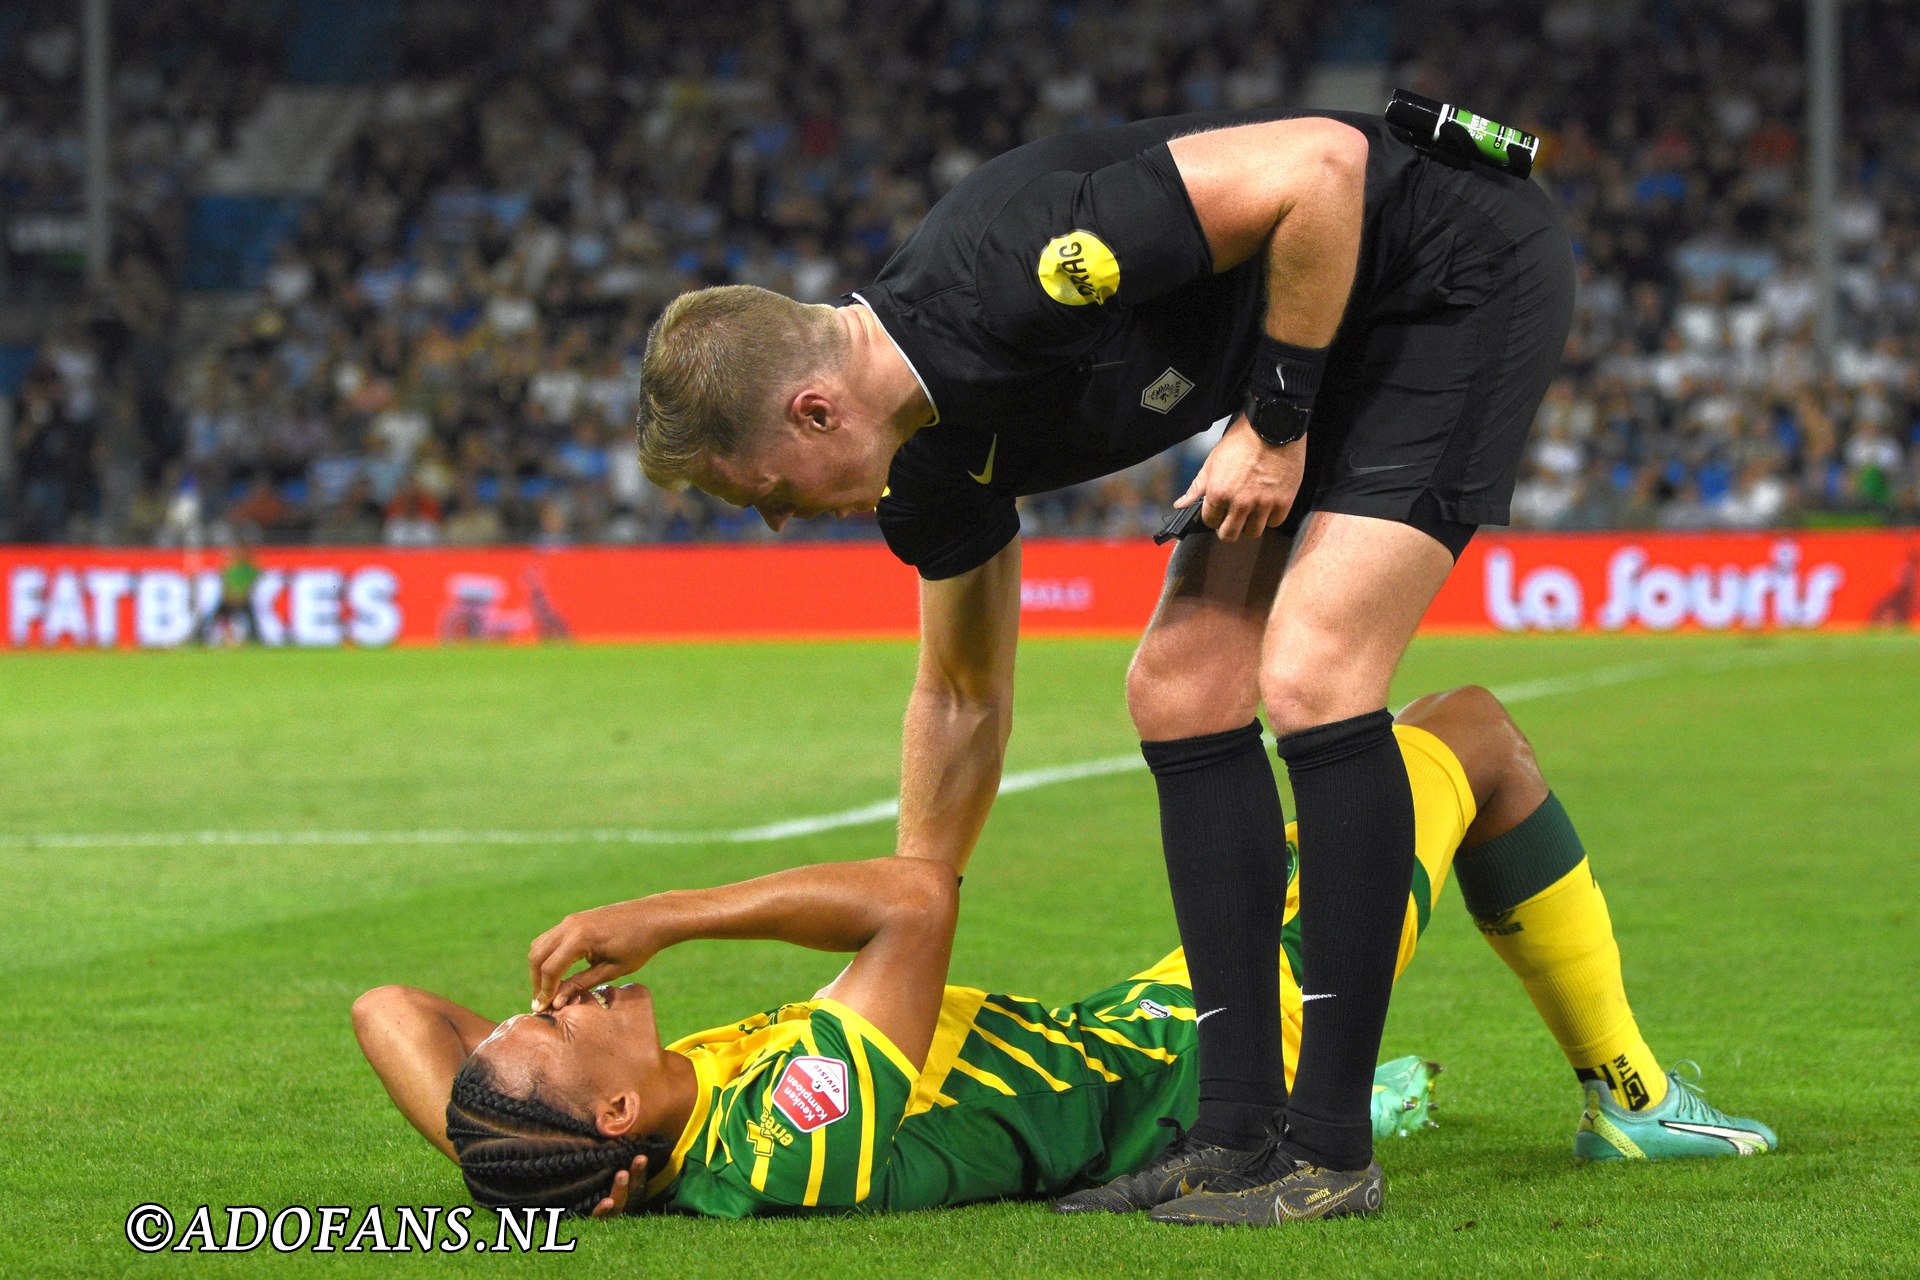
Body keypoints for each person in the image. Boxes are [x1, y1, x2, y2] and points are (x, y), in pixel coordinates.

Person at [634, 104, 1577, 1223]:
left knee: (1316, 670)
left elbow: (1323, 167)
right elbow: (962, 693)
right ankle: (1232, 1132)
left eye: (764, 490)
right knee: (1178, 685)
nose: (779, 522)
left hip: (1450, 268)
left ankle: (1328, 1148)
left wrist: (1274, 422)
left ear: (813, 408)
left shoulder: (1010, 267)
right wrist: (911, 919)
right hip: (1328, 331)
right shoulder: (921, 467)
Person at [351, 688, 1773, 1224]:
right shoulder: (794, 1138)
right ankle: (1635, 1102)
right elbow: (915, 900)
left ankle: (1414, 1084)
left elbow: (388, 1008)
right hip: (1203, 1064)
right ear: (609, 1115)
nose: (559, 997)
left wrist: (495, 1150)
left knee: (1408, 751)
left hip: (1138, 1023)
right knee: (1467, 739)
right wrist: (670, 913)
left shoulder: (606, 1139)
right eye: (547, 1028)